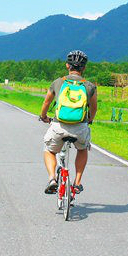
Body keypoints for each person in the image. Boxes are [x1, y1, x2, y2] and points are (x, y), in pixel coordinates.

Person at [39, 50, 97, 195]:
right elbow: (94, 108)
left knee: (49, 150)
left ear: (67, 65)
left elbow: (46, 102)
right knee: (82, 149)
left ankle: (52, 178)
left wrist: (44, 116)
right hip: (80, 128)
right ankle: (77, 183)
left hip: (59, 126)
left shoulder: (58, 82)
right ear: (84, 68)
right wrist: (89, 119)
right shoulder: (89, 86)